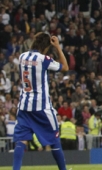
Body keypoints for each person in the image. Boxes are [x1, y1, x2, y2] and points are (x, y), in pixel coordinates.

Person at [12, 33, 69, 170]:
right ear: (46, 46)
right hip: (41, 106)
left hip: (24, 105)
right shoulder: (44, 59)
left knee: (21, 140)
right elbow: (65, 67)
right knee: (54, 140)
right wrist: (58, 47)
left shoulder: (22, 56)